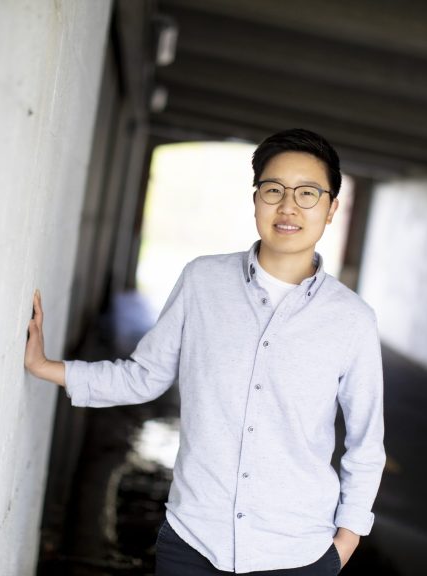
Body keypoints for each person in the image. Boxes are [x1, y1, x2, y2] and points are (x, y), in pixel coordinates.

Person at [25, 128, 385, 575]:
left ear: (331, 209)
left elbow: (366, 445)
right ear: (255, 199)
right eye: (273, 189)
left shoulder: (352, 320)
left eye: (308, 193)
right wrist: (45, 367)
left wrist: (344, 543)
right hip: (193, 541)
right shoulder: (202, 281)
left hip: (298, 553)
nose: (288, 205)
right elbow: (144, 376)